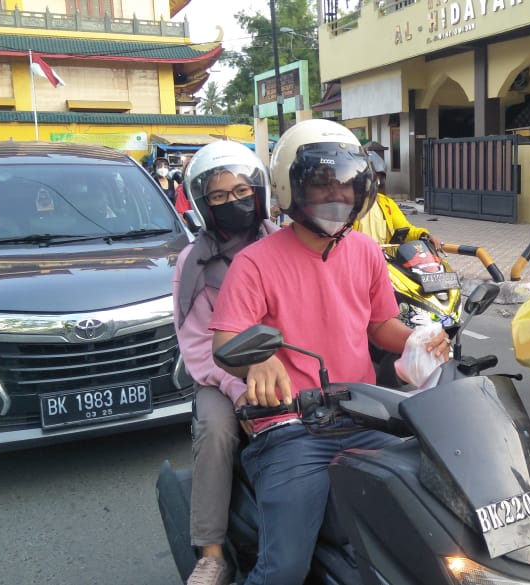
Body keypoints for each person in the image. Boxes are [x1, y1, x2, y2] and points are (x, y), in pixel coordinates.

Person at [209, 119, 449, 585]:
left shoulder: (363, 251)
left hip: (364, 417)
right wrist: (257, 358)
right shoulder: (254, 262)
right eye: (321, 185)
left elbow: (380, 325)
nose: (336, 197)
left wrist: (423, 339)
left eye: (346, 185)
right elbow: (224, 341)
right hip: (289, 429)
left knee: (429, 520)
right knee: (284, 570)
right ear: (288, 188)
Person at [173, 141, 278, 585]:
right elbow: (197, 345)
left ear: (259, 192)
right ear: (202, 206)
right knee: (216, 432)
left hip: (288, 368)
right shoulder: (192, 263)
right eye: (218, 197)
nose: (232, 202)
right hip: (221, 377)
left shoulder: (282, 244)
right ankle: (212, 551)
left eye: (240, 191)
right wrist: (243, 389)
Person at [355, 149, 442, 249]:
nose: (373, 183)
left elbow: (406, 230)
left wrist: (424, 236)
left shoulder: (386, 204)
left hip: (384, 259)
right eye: (368, 178)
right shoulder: (348, 206)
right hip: (358, 261)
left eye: (377, 178)